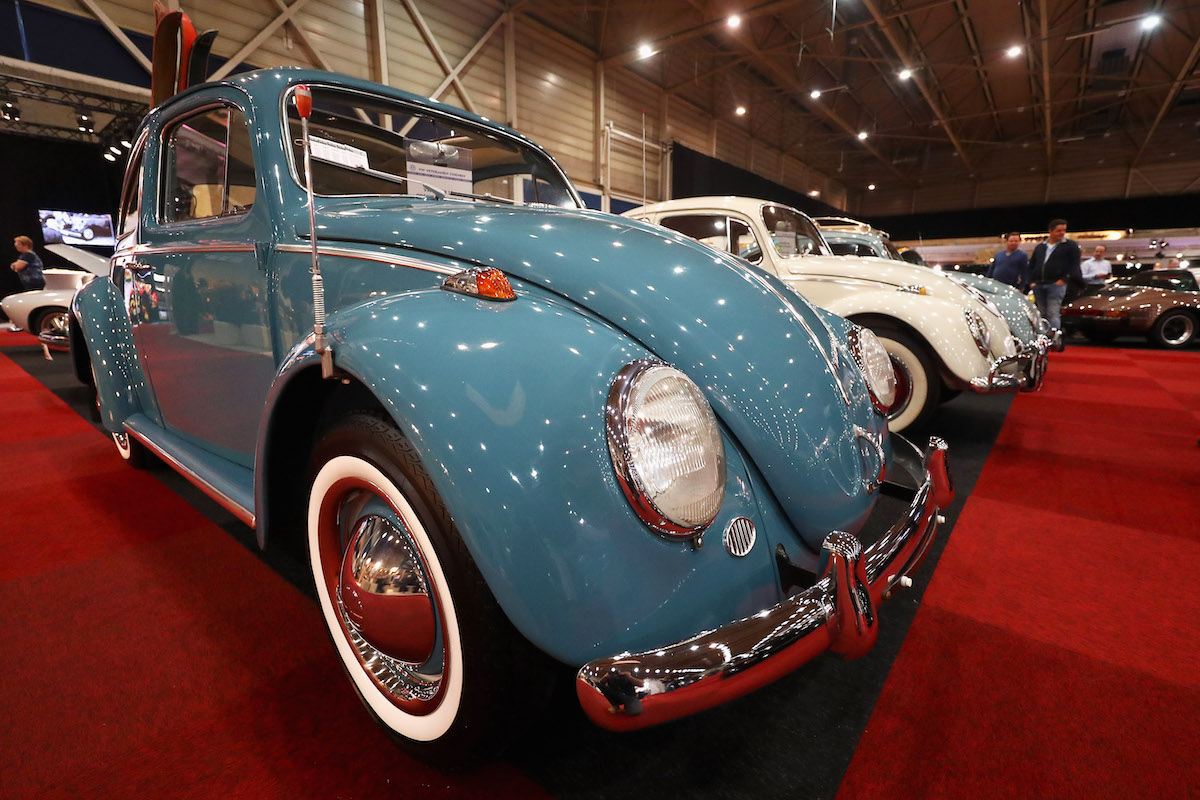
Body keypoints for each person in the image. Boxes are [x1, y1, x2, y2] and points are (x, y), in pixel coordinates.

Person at [1028, 219, 1082, 331]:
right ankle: (1043, 335)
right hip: (1038, 284)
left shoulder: (1070, 246)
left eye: (1064, 230)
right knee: (1040, 312)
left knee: (1053, 312)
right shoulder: (1040, 247)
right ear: (1051, 231)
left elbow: (1075, 265)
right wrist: (1031, 281)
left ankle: (1054, 337)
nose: (1061, 233)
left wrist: (1064, 279)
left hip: (1056, 284)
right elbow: (1032, 265)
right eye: (1058, 230)